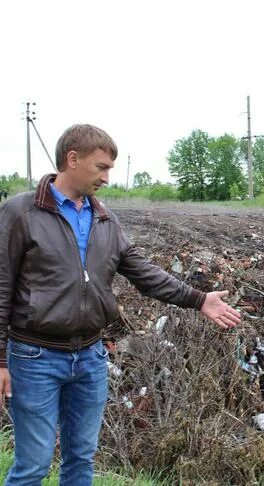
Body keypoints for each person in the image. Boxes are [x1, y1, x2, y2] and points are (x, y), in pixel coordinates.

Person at [0, 124, 241, 485]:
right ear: (72, 159)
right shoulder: (21, 212)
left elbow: (143, 272)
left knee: (81, 460)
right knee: (32, 465)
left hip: (91, 359)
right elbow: (2, 286)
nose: (108, 178)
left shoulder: (105, 219)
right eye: (102, 167)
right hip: (35, 358)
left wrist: (198, 299)